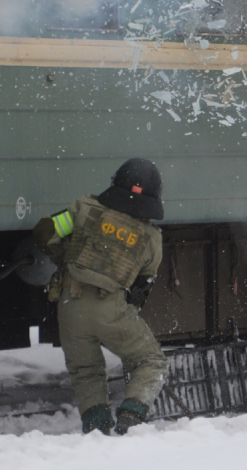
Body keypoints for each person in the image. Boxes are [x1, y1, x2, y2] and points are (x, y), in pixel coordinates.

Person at [32, 158, 169, 435]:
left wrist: (68, 261)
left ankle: (96, 430)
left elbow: (45, 232)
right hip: (111, 309)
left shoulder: (83, 209)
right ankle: (132, 415)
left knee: (86, 370)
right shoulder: (151, 237)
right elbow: (143, 285)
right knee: (152, 361)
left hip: (70, 305)